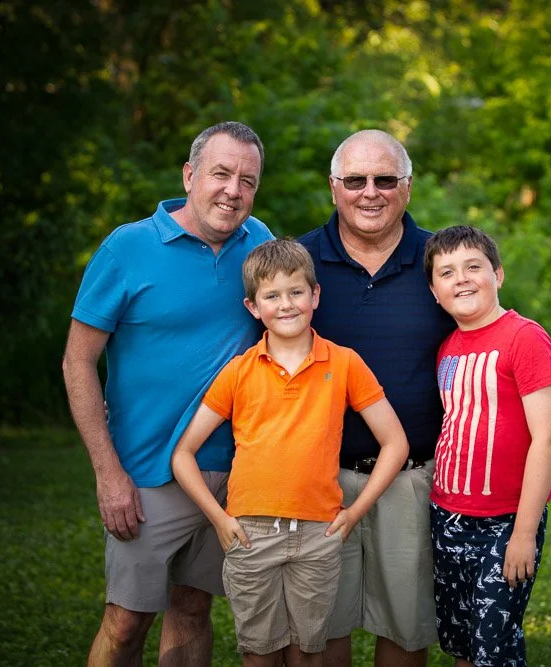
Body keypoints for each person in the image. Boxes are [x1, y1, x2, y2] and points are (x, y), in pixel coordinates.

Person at [62, 121, 274, 666]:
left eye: (246, 180)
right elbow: (78, 361)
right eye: (221, 174)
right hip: (146, 472)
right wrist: (108, 474)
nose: (232, 190)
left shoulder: (260, 244)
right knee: (126, 620)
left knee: (192, 607)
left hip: (230, 473)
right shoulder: (128, 247)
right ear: (189, 175)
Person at [170, 238, 410, 666]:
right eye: (272, 296)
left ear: (315, 296)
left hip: (318, 534)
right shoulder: (239, 370)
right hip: (250, 533)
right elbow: (183, 453)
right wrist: (220, 519)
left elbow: (396, 443)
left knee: (309, 652)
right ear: (253, 307)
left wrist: (354, 513)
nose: (286, 304)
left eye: (296, 292)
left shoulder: (344, 363)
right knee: (259, 654)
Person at [298, 129, 455, 667]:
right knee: (317, 633)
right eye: (356, 180)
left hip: (412, 479)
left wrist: (532, 395)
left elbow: (486, 333)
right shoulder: (296, 262)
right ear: (334, 187)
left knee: (406, 637)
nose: (371, 192)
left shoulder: (442, 259)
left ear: (407, 188)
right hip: (316, 480)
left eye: (385, 179)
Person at [422, 225, 551, 667]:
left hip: (505, 522)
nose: (461, 278)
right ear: (434, 291)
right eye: (447, 272)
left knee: (494, 647)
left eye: (473, 267)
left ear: (497, 274)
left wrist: (523, 533)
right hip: (447, 514)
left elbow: (548, 436)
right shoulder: (447, 347)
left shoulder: (525, 337)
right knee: (462, 642)